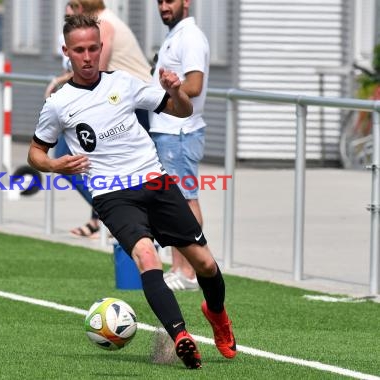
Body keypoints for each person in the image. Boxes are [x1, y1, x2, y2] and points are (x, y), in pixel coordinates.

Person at [28, 14, 237, 369]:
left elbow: (182, 111)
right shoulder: (58, 104)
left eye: (94, 48)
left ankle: (216, 314)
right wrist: (54, 165)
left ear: (101, 48)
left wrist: (174, 90)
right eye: (79, 50)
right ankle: (181, 336)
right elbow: (35, 153)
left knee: (205, 263)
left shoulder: (124, 83)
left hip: (154, 182)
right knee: (146, 256)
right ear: (67, 52)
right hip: (112, 195)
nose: (88, 56)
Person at [45, 0, 153, 238]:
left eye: (72, 6)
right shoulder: (102, 21)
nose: (69, 12)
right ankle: (102, 218)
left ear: (82, 7)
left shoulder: (104, 24)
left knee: (69, 157)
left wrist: (59, 86)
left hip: (129, 104)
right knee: (94, 164)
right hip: (119, 102)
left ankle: (117, 218)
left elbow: (95, 74)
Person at [149, 0, 209, 291]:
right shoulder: (175, 35)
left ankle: (189, 271)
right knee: (176, 199)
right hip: (170, 130)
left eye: (169, 0)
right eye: (159, 1)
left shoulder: (190, 36)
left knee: (186, 199)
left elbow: (195, 85)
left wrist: (159, 94)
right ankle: (180, 267)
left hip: (180, 131)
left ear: (186, 2)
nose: (163, 6)